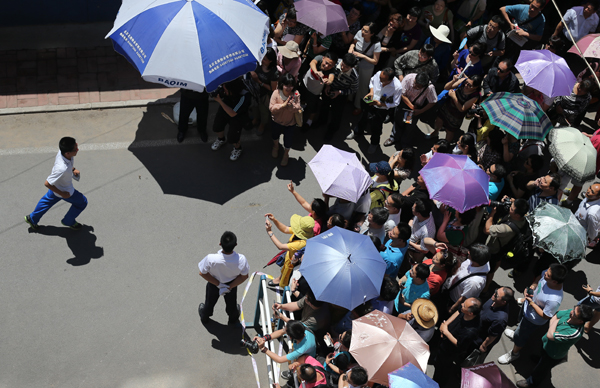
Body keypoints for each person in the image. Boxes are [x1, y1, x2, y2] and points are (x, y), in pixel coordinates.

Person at [498, 264, 568, 364]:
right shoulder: (548, 274)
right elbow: (539, 276)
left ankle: (514, 353)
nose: (545, 274)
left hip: (532, 319)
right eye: (547, 271)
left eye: (547, 275)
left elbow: (546, 315)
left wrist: (531, 302)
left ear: (555, 281)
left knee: (521, 336)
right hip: (527, 308)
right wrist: (534, 285)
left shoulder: (554, 300)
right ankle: (517, 333)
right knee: (520, 324)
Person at [515, 305, 594, 387]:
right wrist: (552, 329)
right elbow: (556, 315)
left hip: (553, 354)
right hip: (547, 344)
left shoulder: (574, 333)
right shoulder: (572, 313)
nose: (571, 312)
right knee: (542, 355)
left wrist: (555, 323)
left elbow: (550, 335)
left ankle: (531, 382)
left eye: (574, 313)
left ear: (580, 321)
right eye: (574, 309)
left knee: (541, 370)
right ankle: (540, 360)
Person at [25, 137, 87, 231]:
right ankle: (68, 221)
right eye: (76, 149)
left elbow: (67, 165)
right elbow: (47, 183)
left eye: (76, 146)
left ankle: (32, 219)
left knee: (46, 202)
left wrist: (73, 169)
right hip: (66, 191)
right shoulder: (61, 169)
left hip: (57, 185)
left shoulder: (63, 153)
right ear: (68, 153)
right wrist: (63, 194)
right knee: (82, 202)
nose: (77, 150)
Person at [347, 68, 403, 154]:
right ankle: (357, 132)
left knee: (376, 127)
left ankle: (374, 144)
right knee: (363, 118)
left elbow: (396, 103)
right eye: (380, 78)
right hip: (371, 102)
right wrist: (371, 92)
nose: (380, 81)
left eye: (383, 80)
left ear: (391, 80)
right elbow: (372, 81)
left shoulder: (397, 87)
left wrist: (381, 104)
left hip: (382, 109)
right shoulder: (378, 73)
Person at [198, 231, 249, 324]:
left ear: (220, 243)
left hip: (214, 284)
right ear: (236, 244)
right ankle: (233, 319)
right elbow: (244, 276)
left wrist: (219, 284)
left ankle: (205, 316)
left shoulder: (211, 258)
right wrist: (229, 286)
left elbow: (202, 273)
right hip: (232, 284)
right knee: (232, 304)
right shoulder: (241, 259)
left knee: (209, 301)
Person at [433, 297, 482, 387]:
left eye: (464, 305)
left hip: (449, 351)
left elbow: (459, 344)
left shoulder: (470, 331)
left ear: (470, 313)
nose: (461, 305)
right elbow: (457, 312)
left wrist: (446, 332)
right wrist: (446, 324)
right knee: (437, 361)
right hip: (444, 341)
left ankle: (438, 383)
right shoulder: (465, 311)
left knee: (442, 369)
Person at [483, 199, 530, 292]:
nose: (509, 208)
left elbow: (487, 230)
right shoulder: (523, 217)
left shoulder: (507, 228)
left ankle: (485, 289)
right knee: (497, 262)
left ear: (517, 215)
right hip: (503, 248)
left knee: (489, 270)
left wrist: (492, 213)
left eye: (511, 208)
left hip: (494, 250)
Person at [386, 72, 437, 150]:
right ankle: (393, 138)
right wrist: (411, 106)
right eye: (415, 83)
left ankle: (405, 144)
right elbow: (402, 94)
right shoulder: (409, 78)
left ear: (424, 86)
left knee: (409, 127)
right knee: (398, 122)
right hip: (404, 104)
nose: (414, 86)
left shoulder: (430, 88)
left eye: (418, 86)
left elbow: (433, 101)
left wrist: (420, 111)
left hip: (416, 109)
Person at [265, 213, 315, 287]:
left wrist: (269, 232)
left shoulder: (301, 243)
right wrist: (274, 220)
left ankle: (285, 291)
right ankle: (279, 279)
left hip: (292, 264)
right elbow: (285, 229)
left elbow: (280, 246)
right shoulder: (305, 233)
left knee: (286, 281)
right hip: (289, 257)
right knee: (283, 270)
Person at [210, 78, 251, 161]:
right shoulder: (228, 85)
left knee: (233, 137)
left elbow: (233, 113)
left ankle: (238, 148)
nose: (223, 90)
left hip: (237, 115)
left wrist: (220, 101)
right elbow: (221, 92)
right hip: (225, 107)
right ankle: (221, 139)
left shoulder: (244, 96)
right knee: (217, 126)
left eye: (225, 89)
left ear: (232, 90)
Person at [443, 243, 490, 316]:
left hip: (453, 299)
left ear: (476, 259)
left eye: (470, 253)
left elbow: (464, 298)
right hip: (450, 288)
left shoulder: (474, 282)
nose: (468, 252)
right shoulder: (480, 262)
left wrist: (452, 308)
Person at [432, 75, 483, 141]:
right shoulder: (463, 81)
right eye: (466, 82)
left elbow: (462, 109)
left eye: (470, 85)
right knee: (438, 121)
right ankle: (435, 132)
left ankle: (446, 144)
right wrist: (453, 81)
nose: (466, 85)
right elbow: (446, 87)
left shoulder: (475, 96)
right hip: (447, 107)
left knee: (449, 131)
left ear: (476, 87)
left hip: (456, 115)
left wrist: (454, 97)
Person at [321, 53, 359, 141]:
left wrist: (340, 92)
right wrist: (327, 86)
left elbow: (353, 90)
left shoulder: (354, 77)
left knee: (337, 114)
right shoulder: (335, 63)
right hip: (329, 89)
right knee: (324, 106)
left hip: (340, 95)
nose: (342, 68)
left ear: (352, 67)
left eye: (346, 67)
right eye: (342, 64)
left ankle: (332, 130)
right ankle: (321, 121)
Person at [269, 73, 301, 166]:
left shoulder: (296, 94)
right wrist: (283, 105)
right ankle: (276, 146)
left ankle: (286, 154)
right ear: (282, 84)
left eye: (291, 86)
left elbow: (298, 107)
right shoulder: (276, 93)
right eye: (286, 85)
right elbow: (271, 108)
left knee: (288, 141)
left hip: (290, 123)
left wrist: (290, 106)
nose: (288, 88)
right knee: (275, 135)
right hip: (277, 121)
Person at [350, 22, 382, 114]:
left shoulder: (376, 44)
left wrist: (362, 56)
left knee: (363, 87)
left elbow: (375, 61)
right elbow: (353, 42)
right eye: (362, 29)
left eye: (366, 31)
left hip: (367, 67)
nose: (362, 31)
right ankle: (349, 99)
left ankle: (359, 106)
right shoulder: (359, 33)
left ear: (372, 33)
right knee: (352, 81)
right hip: (355, 63)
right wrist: (351, 48)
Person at [300, 52, 337, 131]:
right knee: (302, 97)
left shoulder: (332, 71)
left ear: (333, 65)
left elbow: (331, 78)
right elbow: (312, 63)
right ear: (323, 58)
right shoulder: (319, 58)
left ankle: (309, 122)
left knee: (313, 106)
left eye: (330, 65)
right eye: (326, 63)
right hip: (305, 83)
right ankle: (302, 109)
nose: (327, 66)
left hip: (315, 91)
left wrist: (328, 82)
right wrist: (316, 71)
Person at [475, 287, 514, 360]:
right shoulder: (494, 300)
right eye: (495, 291)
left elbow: (493, 335)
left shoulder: (500, 319)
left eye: (496, 295)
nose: (494, 294)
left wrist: (484, 345)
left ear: (503, 302)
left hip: (480, 338)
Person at [250, 47, 279, 135]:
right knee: (254, 108)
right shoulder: (258, 64)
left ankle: (262, 124)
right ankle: (256, 119)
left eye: (265, 59)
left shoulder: (274, 72)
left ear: (270, 61)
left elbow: (273, 89)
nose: (262, 60)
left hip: (265, 96)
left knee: (264, 112)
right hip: (255, 92)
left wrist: (259, 82)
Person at [575, 183, 600, 247]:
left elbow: (592, 230)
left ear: (598, 196)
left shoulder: (592, 213)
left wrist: (590, 238)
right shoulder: (589, 197)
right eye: (590, 187)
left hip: (581, 231)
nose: (588, 191)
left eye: (592, 192)